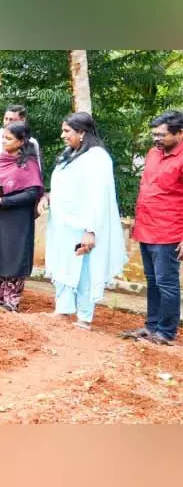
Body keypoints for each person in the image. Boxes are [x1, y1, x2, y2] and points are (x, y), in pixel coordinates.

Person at [38, 112, 126, 330]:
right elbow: (64, 187)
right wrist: (47, 197)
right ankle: (63, 309)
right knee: (64, 264)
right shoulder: (69, 154)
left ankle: (84, 317)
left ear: (82, 132)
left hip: (85, 226)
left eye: (67, 131)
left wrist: (91, 230)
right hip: (64, 226)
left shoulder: (98, 158)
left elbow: (99, 196)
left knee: (85, 268)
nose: (62, 135)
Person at [121, 110, 183, 345]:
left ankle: (166, 333)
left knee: (167, 282)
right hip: (146, 228)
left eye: (162, 135)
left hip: (169, 231)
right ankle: (151, 326)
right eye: (154, 134)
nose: (156, 139)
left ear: (179, 133)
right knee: (153, 281)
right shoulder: (153, 153)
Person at [0, 122, 44, 312]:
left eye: (8, 139)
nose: (3, 142)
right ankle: (0, 294)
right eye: (3, 137)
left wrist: (4, 202)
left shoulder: (28, 164)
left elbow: (33, 192)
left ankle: (12, 298)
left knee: (13, 255)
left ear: (21, 141)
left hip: (16, 218)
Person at [0, 104, 41, 173]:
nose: (7, 122)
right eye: (6, 118)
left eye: (11, 119)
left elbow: (36, 170)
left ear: (22, 120)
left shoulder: (31, 142)